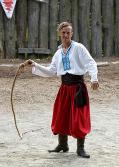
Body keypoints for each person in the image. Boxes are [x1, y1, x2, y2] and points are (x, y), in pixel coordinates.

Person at [22, 22, 99, 158]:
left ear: (71, 34)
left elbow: (90, 63)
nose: (65, 35)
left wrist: (94, 78)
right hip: (64, 88)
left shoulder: (79, 48)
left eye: (68, 33)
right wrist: (35, 65)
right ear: (59, 34)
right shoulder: (58, 53)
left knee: (78, 118)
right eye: (63, 33)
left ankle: (80, 148)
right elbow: (52, 71)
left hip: (78, 88)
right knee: (61, 115)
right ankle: (63, 145)